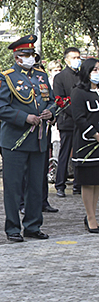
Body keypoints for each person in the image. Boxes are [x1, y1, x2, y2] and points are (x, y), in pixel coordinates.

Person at [0, 34, 54, 242]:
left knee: (36, 185)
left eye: (32, 55)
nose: (30, 58)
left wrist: (50, 112)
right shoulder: (6, 77)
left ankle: (33, 225)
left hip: (38, 140)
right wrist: (24, 117)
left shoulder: (41, 76)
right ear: (17, 57)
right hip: (15, 140)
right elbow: (0, 108)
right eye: (26, 55)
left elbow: (51, 100)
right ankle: (12, 228)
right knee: (13, 186)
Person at [71, 58, 99, 233]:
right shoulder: (79, 92)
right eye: (95, 69)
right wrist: (95, 134)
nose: (97, 72)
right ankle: (90, 218)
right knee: (88, 182)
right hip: (87, 144)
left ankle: (93, 214)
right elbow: (79, 118)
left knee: (97, 182)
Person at [53, 48, 82, 198]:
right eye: (74, 57)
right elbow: (60, 100)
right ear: (66, 60)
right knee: (65, 153)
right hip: (67, 121)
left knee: (79, 154)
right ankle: (60, 185)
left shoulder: (83, 76)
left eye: (78, 57)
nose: (77, 60)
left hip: (82, 122)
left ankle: (78, 184)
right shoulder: (60, 77)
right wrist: (76, 113)